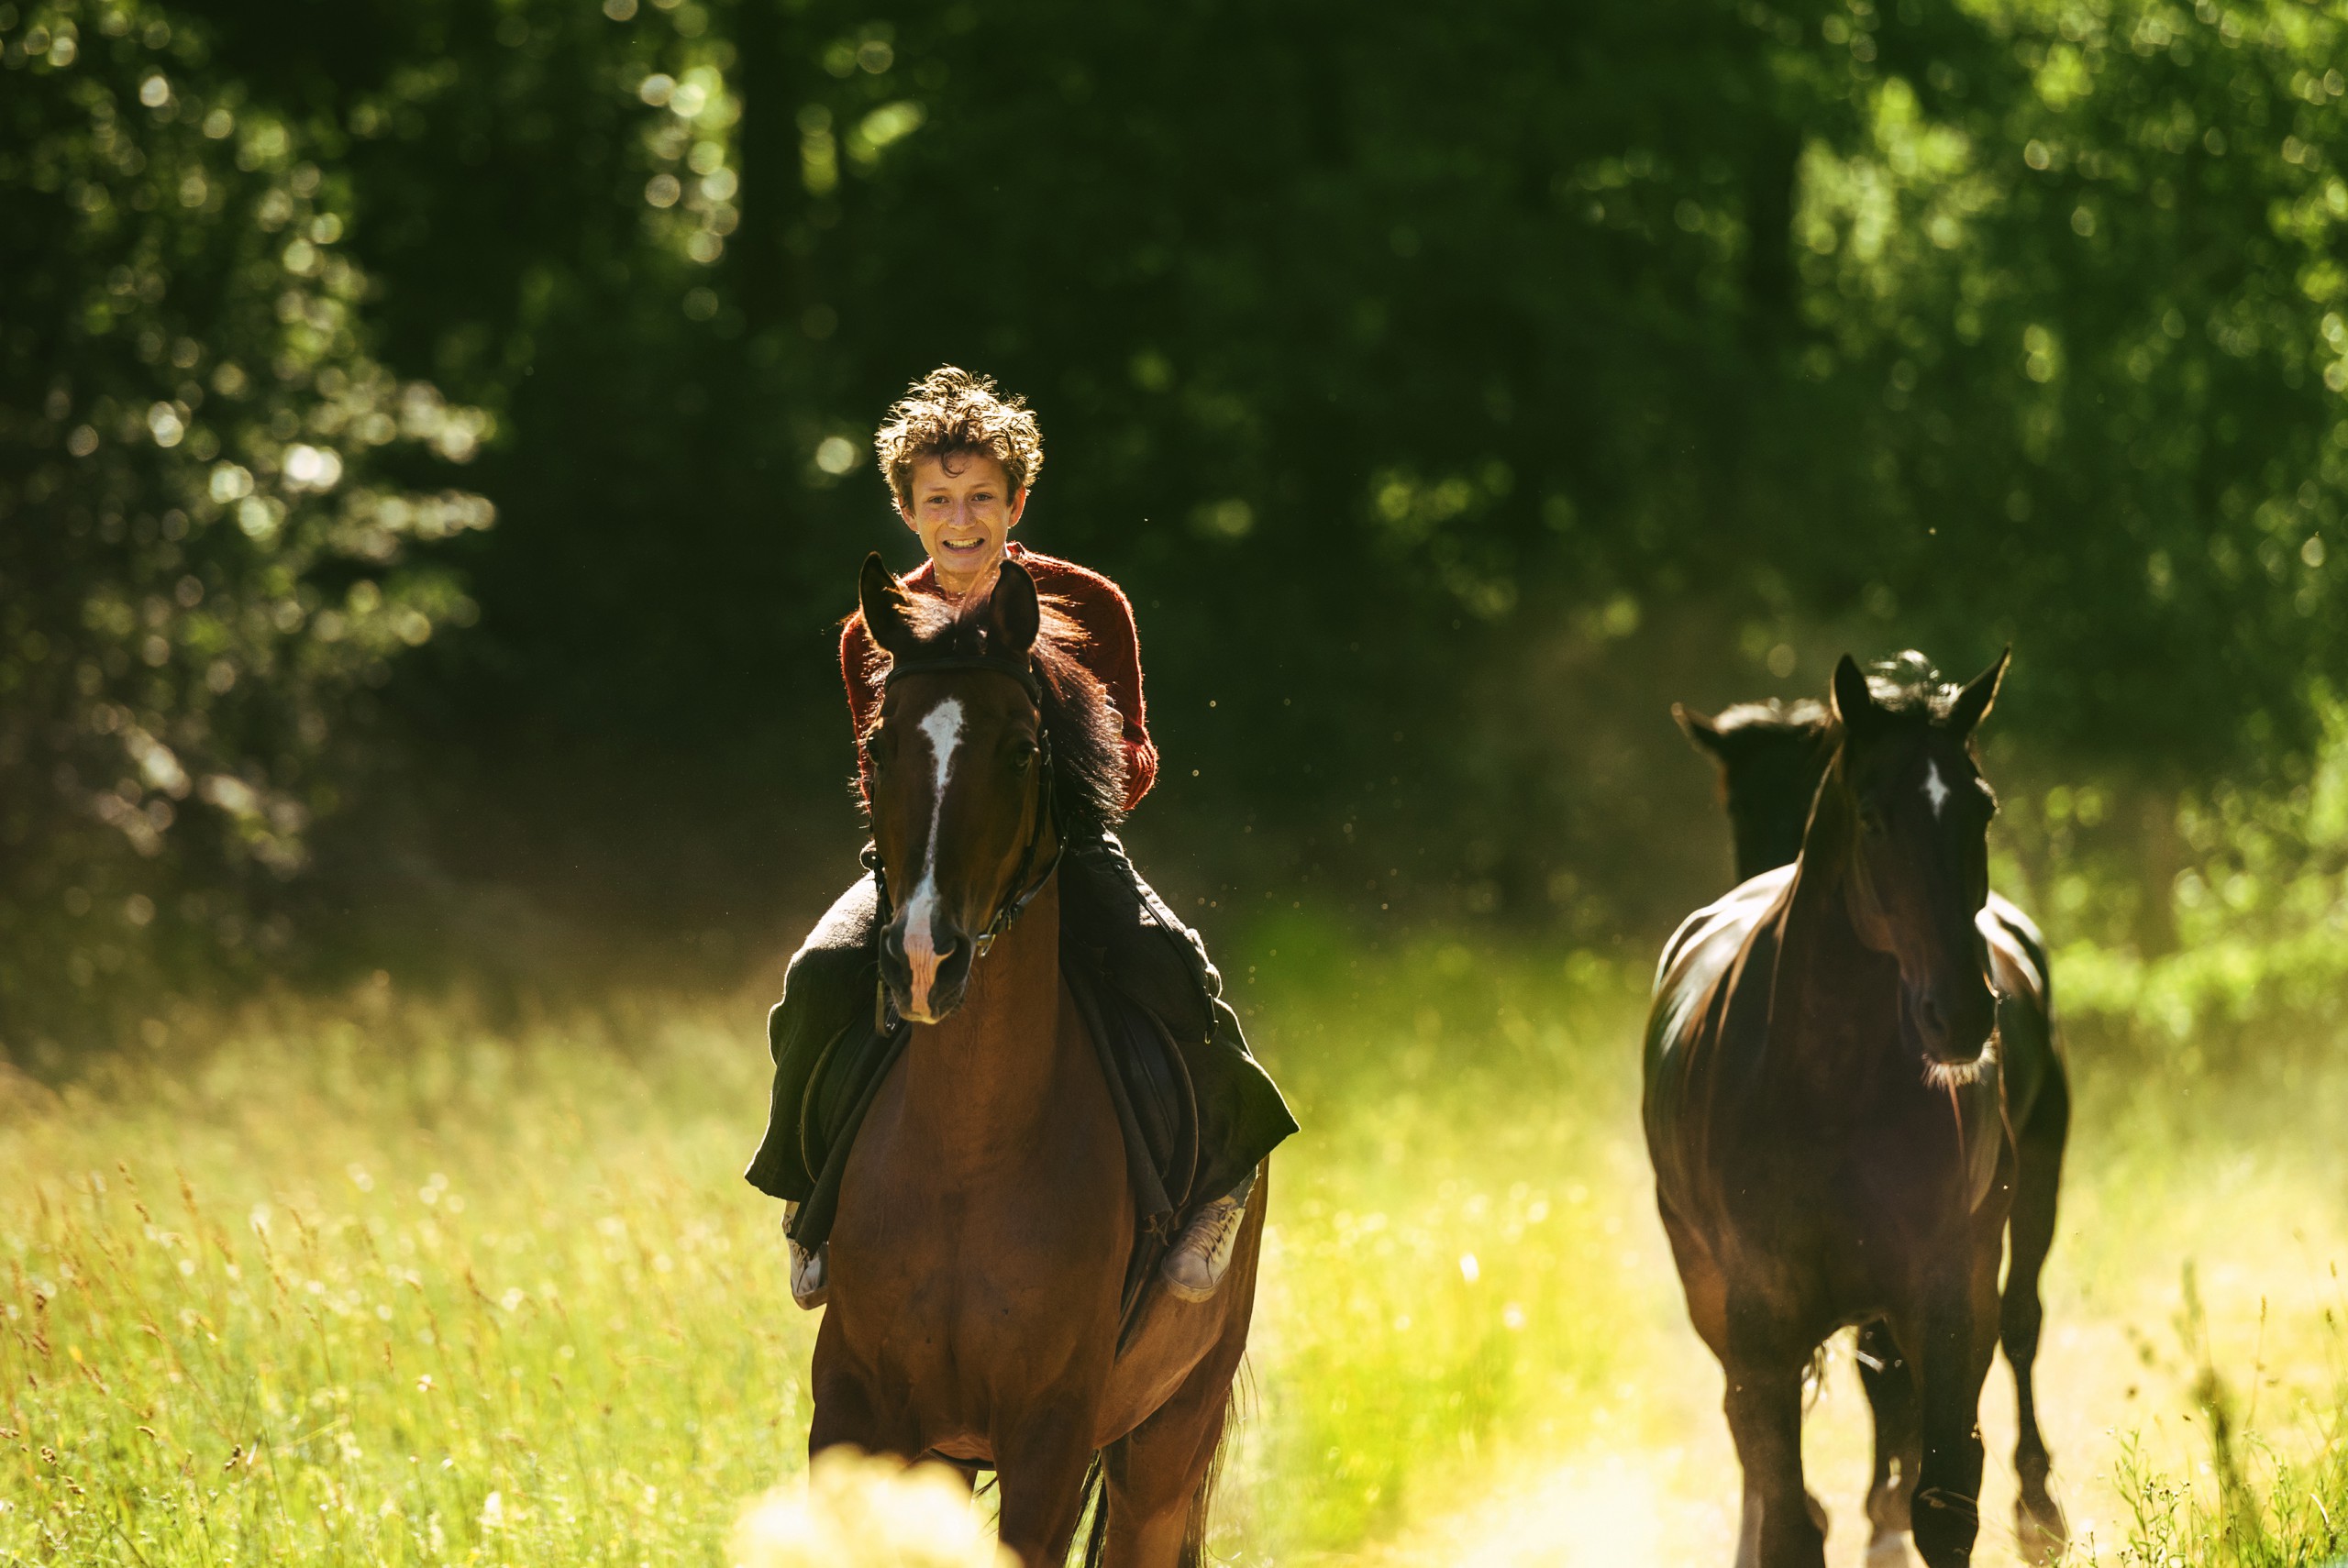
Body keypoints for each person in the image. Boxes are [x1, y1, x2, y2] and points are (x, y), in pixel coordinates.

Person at [745, 366, 1297, 1309]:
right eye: (938, 500)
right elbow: (880, 774)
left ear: (1016, 501)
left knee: (1165, 959)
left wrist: (1056, 791)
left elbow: (1135, 751)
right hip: (922, 863)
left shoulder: (1089, 604)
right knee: (815, 977)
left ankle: (1223, 1176)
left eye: (981, 498)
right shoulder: (869, 634)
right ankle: (808, 1200)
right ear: (906, 509)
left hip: (1063, 851)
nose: (961, 520)